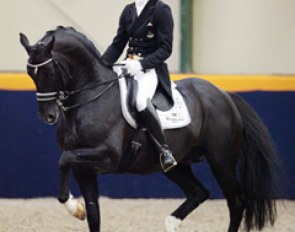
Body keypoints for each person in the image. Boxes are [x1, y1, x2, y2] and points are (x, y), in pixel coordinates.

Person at [101, 0, 177, 172]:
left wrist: (142, 64)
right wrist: (100, 65)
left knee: (140, 101)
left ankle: (165, 150)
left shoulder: (161, 10)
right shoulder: (128, 10)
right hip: (128, 65)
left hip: (150, 69)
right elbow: (118, 44)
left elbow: (165, 49)